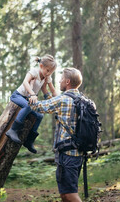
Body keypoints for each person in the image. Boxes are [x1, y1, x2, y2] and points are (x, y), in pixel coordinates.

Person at [30, 67, 83, 202]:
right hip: (77, 154)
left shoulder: (63, 100)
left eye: (61, 79)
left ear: (67, 81)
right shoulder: (81, 99)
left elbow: (39, 107)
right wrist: (47, 88)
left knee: (70, 194)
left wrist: (31, 94)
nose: (59, 81)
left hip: (67, 155)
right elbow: (54, 104)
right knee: (65, 194)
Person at [6, 54, 58, 154]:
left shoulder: (46, 77)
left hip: (28, 98)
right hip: (18, 96)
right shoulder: (34, 72)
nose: (49, 73)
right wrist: (32, 94)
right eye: (48, 70)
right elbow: (25, 82)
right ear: (41, 66)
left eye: (51, 72)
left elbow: (46, 89)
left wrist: (54, 100)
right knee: (28, 106)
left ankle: (29, 141)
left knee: (40, 115)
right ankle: (13, 130)